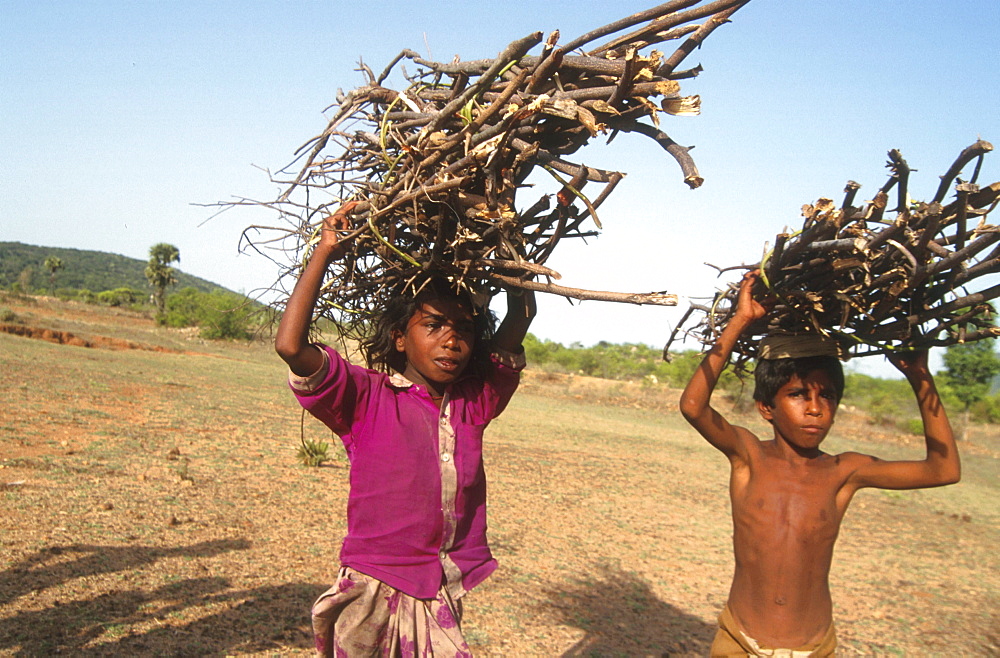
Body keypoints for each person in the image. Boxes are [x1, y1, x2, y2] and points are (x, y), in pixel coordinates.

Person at [275, 201, 536, 657]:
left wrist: (511, 250)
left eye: (464, 331)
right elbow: (291, 346)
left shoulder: (474, 402)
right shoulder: (366, 397)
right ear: (400, 337)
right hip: (375, 584)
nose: (452, 341)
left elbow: (521, 319)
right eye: (433, 326)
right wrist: (324, 252)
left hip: (442, 586)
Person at [678, 270, 961, 657]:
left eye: (826, 396)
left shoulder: (845, 471)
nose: (815, 409)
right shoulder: (748, 454)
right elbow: (693, 406)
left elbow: (943, 470)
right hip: (739, 641)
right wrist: (740, 323)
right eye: (797, 394)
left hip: (814, 648)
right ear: (766, 407)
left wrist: (921, 377)